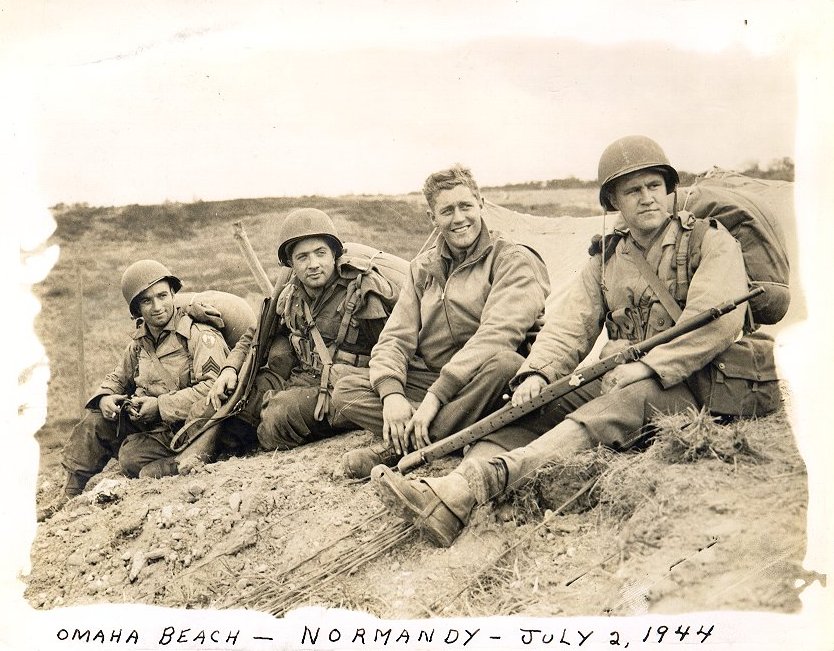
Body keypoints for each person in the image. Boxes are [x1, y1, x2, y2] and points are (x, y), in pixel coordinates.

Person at [370, 136, 781, 546]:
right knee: (530, 408)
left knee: (621, 400)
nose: (647, 198)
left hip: (701, 383)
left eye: (654, 186)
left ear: (669, 190)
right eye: (632, 191)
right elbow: (570, 326)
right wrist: (536, 372)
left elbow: (716, 321)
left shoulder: (709, 240)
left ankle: (487, 479)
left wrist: (647, 366)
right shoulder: (607, 257)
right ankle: (453, 496)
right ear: (614, 201)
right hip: (627, 380)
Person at [331, 164, 550, 479]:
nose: (459, 218)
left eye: (466, 206)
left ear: (481, 205)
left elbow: (496, 336)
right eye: (447, 211)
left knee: (506, 364)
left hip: (486, 380)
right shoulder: (422, 268)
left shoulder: (513, 260)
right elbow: (395, 338)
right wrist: (392, 394)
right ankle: (450, 429)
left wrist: (435, 398)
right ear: (433, 219)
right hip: (436, 381)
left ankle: (399, 449)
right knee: (346, 389)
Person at [38, 260, 230, 521]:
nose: (158, 307)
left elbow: (213, 390)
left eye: (163, 296)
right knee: (94, 422)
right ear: (136, 309)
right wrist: (105, 397)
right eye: (147, 301)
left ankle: (183, 462)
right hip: (148, 422)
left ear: (173, 294)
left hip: (187, 427)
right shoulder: (139, 343)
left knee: (131, 457)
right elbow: (118, 377)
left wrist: (159, 406)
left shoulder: (198, 335)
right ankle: (70, 493)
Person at [206, 208, 396, 451]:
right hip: (304, 378)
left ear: (334, 255)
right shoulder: (289, 296)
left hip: (348, 387)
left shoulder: (361, 292)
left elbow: (392, 349)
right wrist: (230, 369)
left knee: (276, 417)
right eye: (303, 257)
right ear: (291, 264)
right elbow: (256, 335)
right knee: (238, 409)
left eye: (320, 253)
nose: (313, 264)